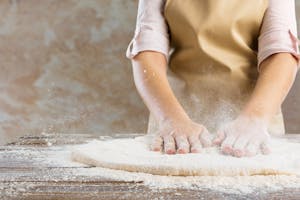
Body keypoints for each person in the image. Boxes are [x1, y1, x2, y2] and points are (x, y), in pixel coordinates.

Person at [125, 0, 299, 157]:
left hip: (254, 127)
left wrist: (255, 118)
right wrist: (171, 118)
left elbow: (281, 53)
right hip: (175, 128)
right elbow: (148, 49)